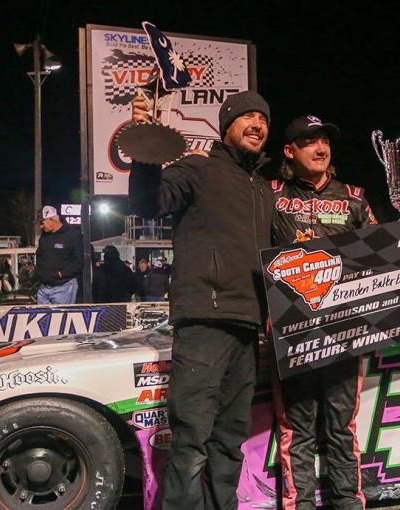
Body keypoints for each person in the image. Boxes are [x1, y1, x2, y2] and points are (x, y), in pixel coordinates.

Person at [130, 89, 274, 510]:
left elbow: (298, 250)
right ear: (226, 125)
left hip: (248, 325)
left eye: (263, 119)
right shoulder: (197, 168)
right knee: (191, 439)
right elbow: (148, 203)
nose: (257, 124)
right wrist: (144, 147)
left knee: (230, 439)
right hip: (204, 323)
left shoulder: (263, 188)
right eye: (246, 116)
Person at [269, 114, 379, 510]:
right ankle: (297, 505)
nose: (321, 149)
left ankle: (347, 502)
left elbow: (382, 256)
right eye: (309, 141)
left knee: (340, 425)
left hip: (345, 330)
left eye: (325, 142)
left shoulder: (353, 197)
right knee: (296, 427)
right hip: (292, 332)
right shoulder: (270, 194)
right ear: (289, 151)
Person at [35, 206, 83, 305]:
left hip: (63, 287)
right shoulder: (44, 237)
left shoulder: (72, 235)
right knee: (44, 320)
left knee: (61, 319)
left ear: (52, 219)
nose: (40, 226)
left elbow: (79, 262)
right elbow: (39, 256)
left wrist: (61, 274)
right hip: (43, 288)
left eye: (42, 223)